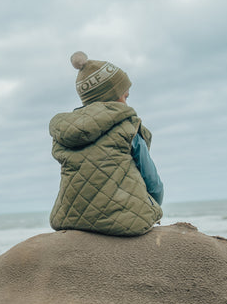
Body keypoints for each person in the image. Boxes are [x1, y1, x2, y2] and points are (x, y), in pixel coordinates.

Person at [48, 51, 164, 236]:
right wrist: (154, 205)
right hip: (128, 219)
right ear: (113, 97)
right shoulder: (128, 126)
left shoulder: (65, 133)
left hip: (69, 219)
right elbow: (152, 182)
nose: (126, 103)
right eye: (125, 97)